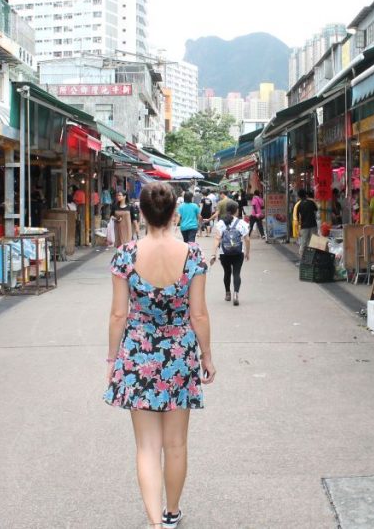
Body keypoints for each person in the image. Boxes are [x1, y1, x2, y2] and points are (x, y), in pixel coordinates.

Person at [104, 182, 214, 529]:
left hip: (138, 356)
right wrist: (207, 356)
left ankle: (154, 523)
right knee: (176, 444)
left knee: (147, 448)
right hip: (180, 355)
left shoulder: (125, 255)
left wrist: (112, 361)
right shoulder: (193, 255)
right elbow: (199, 314)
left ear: (141, 213)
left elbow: (118, 315)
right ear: (175, 215)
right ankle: (171, 513)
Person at [211, 201, 250, 305]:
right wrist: (247, 252)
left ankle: (227, 293)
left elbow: (217, 238)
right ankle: (236, 293)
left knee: (227, 272)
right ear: (236, 211)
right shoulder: (242, 223)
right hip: (238, 252)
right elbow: (247, 239)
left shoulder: (221, 223)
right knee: (236, 273)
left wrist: (213, 254)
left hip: (224, 253)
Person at [296, 189, 317, 257]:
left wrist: (298, 229)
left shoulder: (299, 205)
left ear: (299, 196)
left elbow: (298, 217)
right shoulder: (311, 202)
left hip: (304, 226)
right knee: (313, 242)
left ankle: (302, 257)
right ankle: (312, 257)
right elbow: (316, 210)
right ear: (306, 195)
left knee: (303, 242)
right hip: (313, 224)